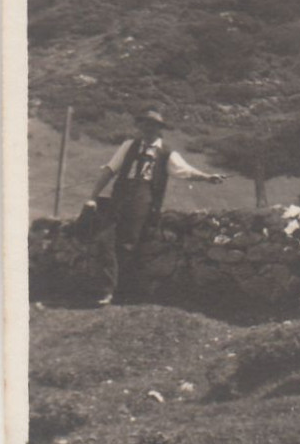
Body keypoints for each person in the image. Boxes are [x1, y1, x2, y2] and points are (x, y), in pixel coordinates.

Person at [88, 108, 225, 306]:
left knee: (128, 244)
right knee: (104, 240)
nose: (148, 129)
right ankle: (107, 289)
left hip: (143, 199)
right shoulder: (129, 146)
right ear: (140, 126)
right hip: (118, 197)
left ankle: (115, 291)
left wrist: (207, 177)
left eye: (153, 125)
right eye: (145, 124)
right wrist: (92, 197)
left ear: (159, 129)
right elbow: (110, 170)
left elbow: (185, 171)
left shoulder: (166, 153)